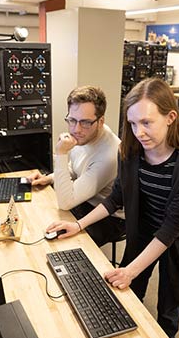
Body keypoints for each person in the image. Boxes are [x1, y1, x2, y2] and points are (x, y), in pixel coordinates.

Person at [46, 78, 179, 338]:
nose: (139, 132)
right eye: (133, 124)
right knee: (131, 291)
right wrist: (79, 226)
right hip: (144, 228)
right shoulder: (131, 150)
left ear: (171, 117)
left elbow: (172, 226)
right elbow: (116, 200)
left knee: (169, 305)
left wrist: (131, 270)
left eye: (147, 122)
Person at [28, 86, 125, 247]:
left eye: (85, 122)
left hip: (109, 217)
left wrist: (61, 153)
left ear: (100, 122)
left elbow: (66, 202)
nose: (76, 129)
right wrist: (49, 178)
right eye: (72, 120)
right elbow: (75, 169)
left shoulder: (108, 156)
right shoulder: (86, 136)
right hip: (85, 200)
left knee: (60, 245)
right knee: (41, 218)